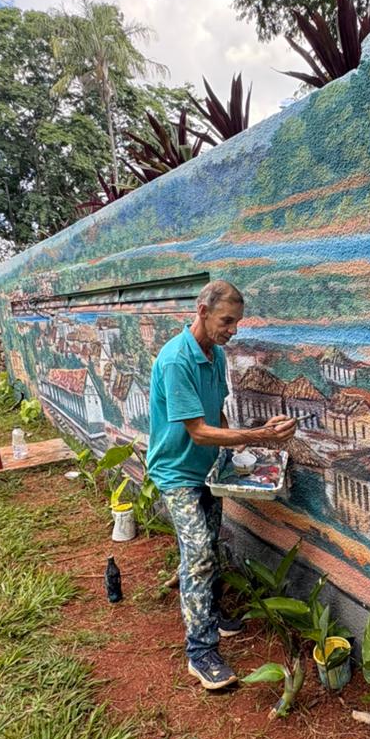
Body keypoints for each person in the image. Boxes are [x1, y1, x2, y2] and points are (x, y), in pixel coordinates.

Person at [147, 280, 296, 690]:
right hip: (176, 471)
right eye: (227, 321)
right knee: (197, 553)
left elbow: (218, 415)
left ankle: (207, 612)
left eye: (236, 323)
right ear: (202, 311)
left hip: (205, 467)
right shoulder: (177, 360)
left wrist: (239, 452)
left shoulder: (214, 356)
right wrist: (258, 437)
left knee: (209, 546)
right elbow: (197, 430)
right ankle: (200, 651)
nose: (233, 330)